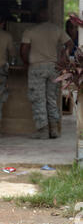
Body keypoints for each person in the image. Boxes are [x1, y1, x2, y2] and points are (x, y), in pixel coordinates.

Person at [20, 9, 72, 139]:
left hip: (36, 67)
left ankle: (42, 131)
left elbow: (24, 49)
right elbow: (69, 44)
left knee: (38, 99)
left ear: (37, 17)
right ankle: (54, 130)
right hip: (53, 67)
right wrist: (63, 57)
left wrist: (26, 62)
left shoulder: (30, 31)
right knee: (51, 98)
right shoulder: (56, 29)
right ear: (48, 16)